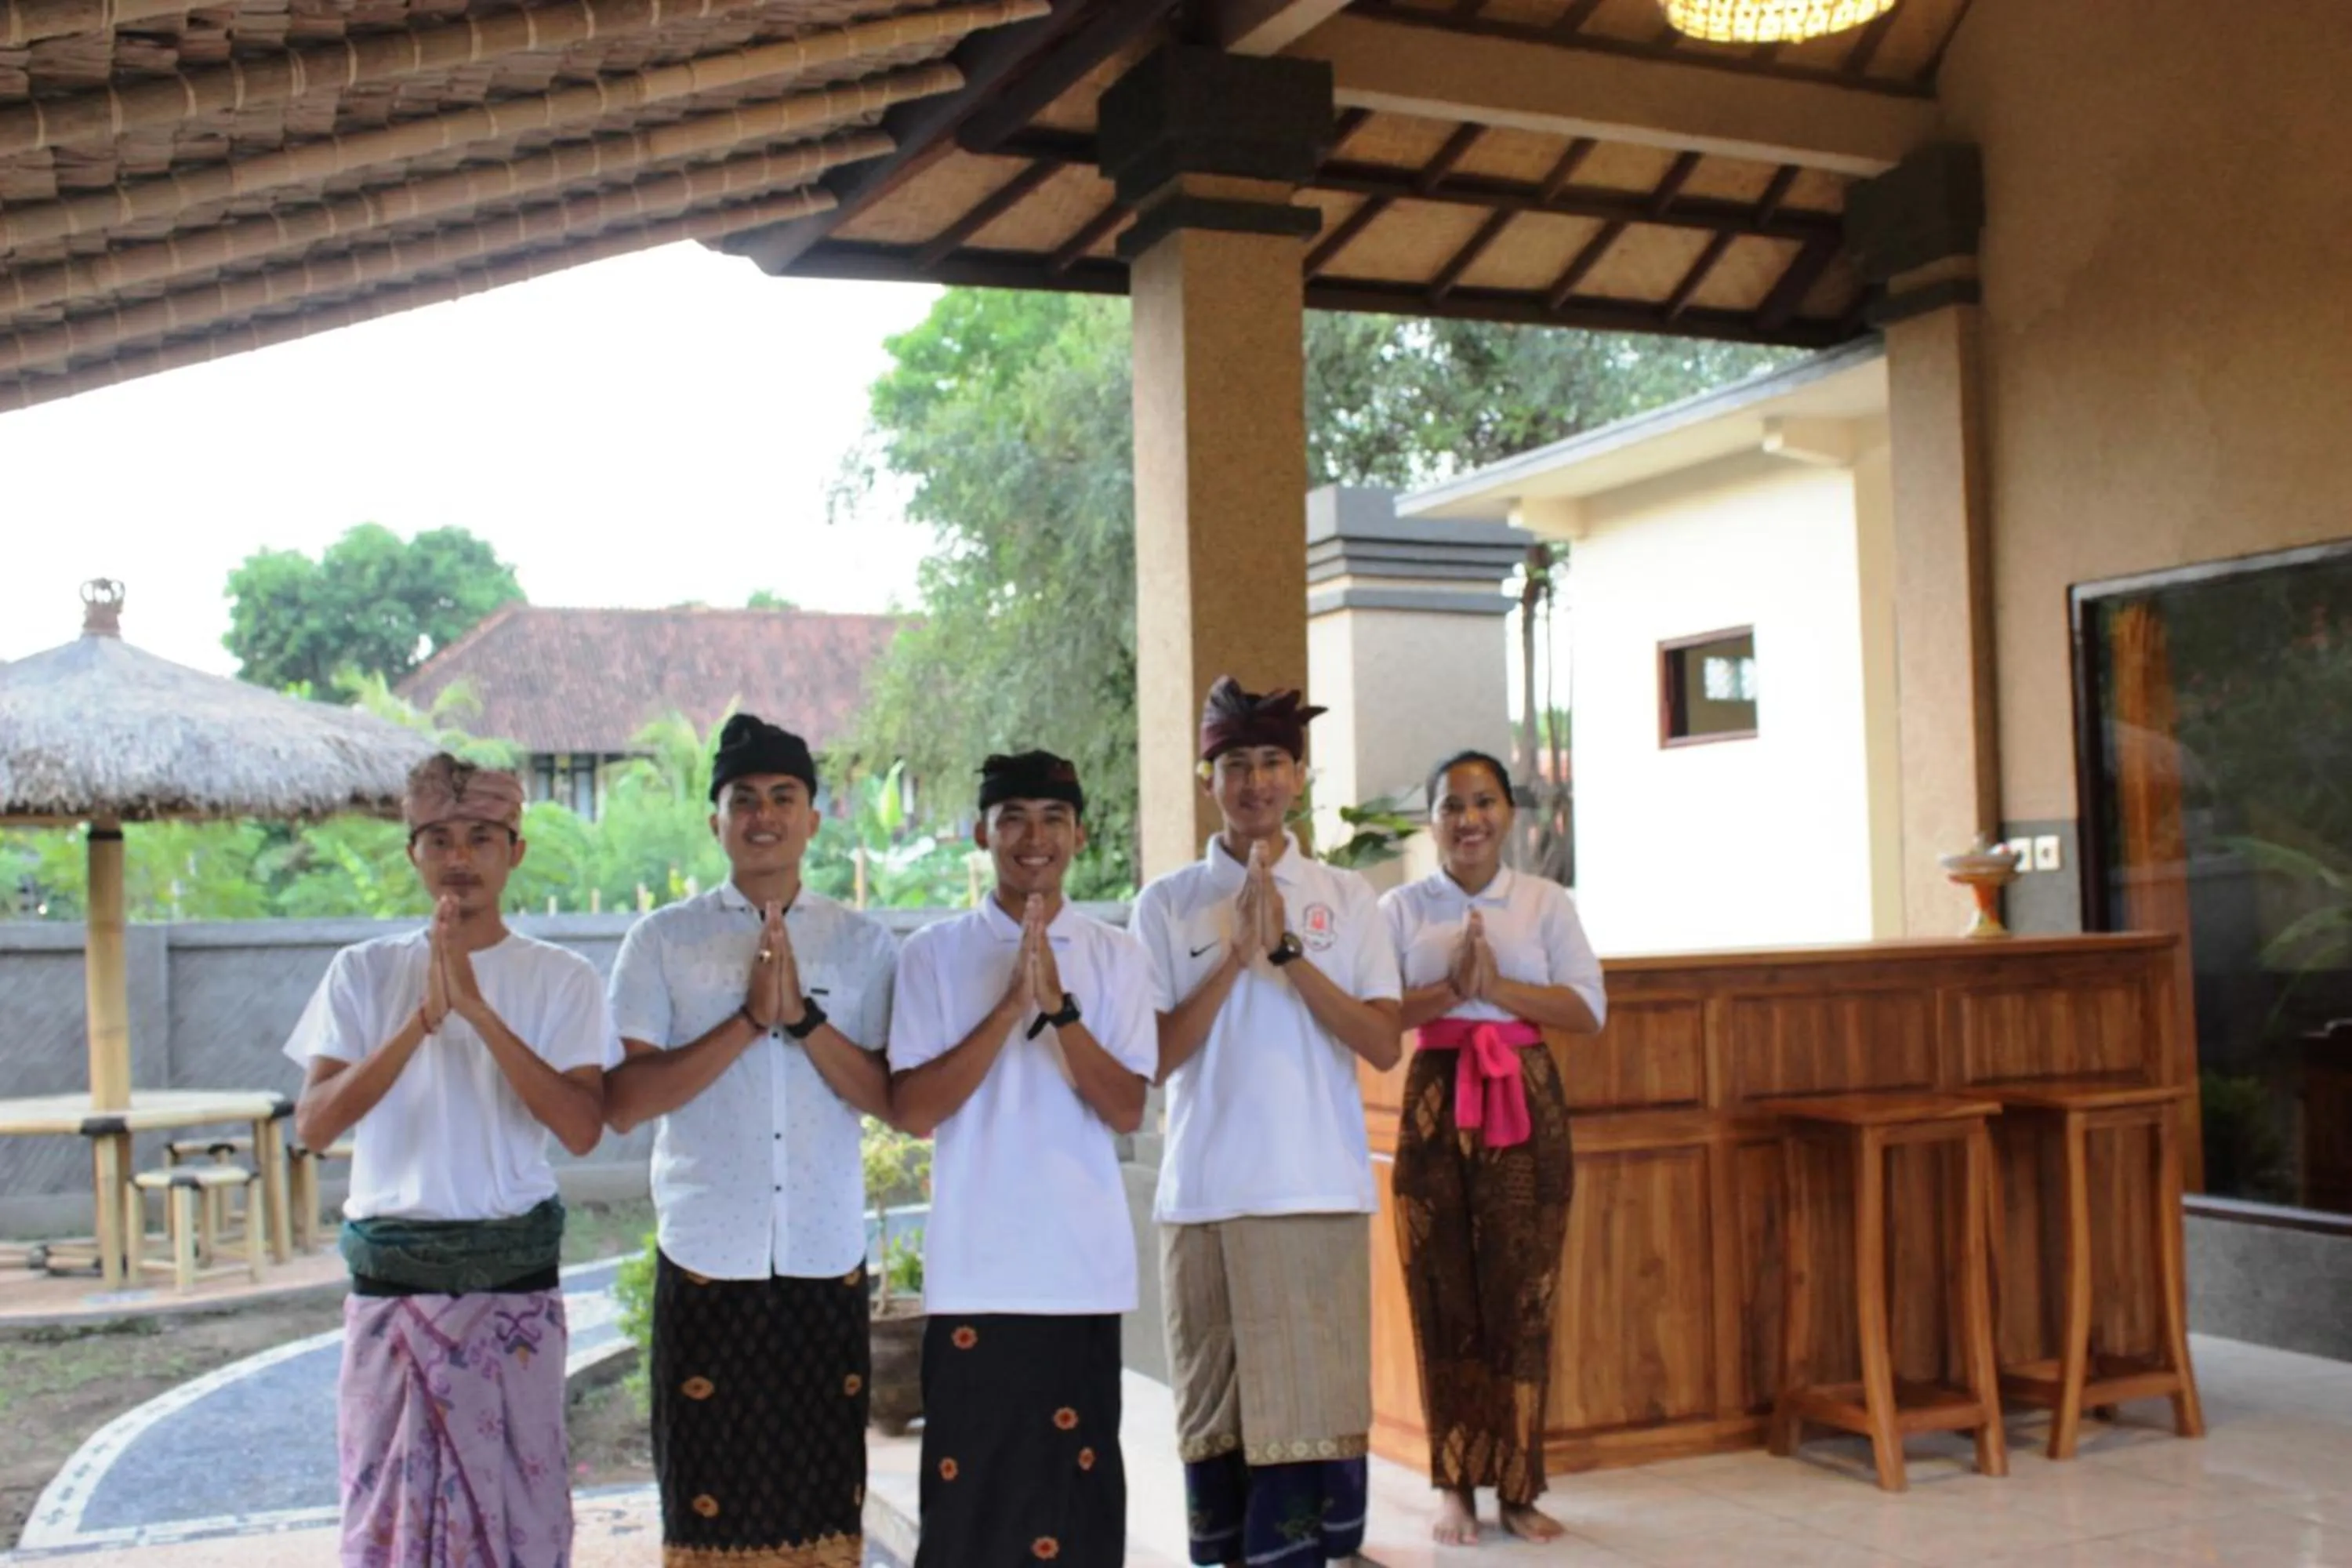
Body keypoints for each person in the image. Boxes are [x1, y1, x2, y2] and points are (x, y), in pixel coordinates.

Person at [285, 753, 615, 1567]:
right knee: (388, 1522)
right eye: (438, 837)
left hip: (512, 1296)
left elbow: (582, 1127)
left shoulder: (561, 977)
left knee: (521, 1524)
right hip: (393, 1293)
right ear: (413, 853)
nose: (459, 856)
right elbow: (315, 1126)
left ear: (515, 850)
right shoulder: (362, 971)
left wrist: (477, 1009)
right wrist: (419, 1021)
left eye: (479, 836)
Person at [604, 713, 898, 1567]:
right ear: (716, 820)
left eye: (783, 796)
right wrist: (747, 1019)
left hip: (823, 1251)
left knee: (821, 1501)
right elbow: (624, 1101)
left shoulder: (863, 942)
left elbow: (888, 1096)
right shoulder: (662, 939)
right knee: (707, 1507)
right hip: (707, 1259)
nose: (763, 814)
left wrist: (802, 1018)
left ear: (814, 815)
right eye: (744, 799)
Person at [1130, 677, 1404, 1568]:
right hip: (1206, 1195)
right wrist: (1235, 957)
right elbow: (1156, 1058)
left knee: (1312, 1416)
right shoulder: (1166, 903)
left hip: (1318, 1189)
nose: (1255, 781)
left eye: (1272, 762)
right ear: (1209, 778)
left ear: (1299, 774)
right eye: (1235, 763)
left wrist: (1286, 952)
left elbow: (1383, 1041)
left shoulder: (1347, 896)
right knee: (1222, 1420)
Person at [888, 750, 1156, 1567]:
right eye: (1012, 818)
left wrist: (1059, 1011)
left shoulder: (1115, 954)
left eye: (1050, 819)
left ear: (1079, 832)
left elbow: (1126, 1106)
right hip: (976, 1270)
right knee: (971, 1513)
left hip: (1079, 1272)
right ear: (982, 831)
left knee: (1076, 1511)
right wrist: (1008, 1004)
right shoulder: (934, 953)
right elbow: (915, 1110)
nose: (1032, 838)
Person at [1380, 750, 1606, 1546]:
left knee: (1522, 1295)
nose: (1468, 818)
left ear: (1509, 812)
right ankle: (1454, 1485)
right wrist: (1450, 989)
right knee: (1441, 1290)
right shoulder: (1402, 906)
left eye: (1483, 802)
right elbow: (1378, 1018)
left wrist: (1497, 986)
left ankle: (1518, 1486)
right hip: (1436, 1107)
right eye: (1451, 804)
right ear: (1432, 818)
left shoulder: (1545, 902)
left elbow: (1587, 1008)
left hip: (1525, 1105)